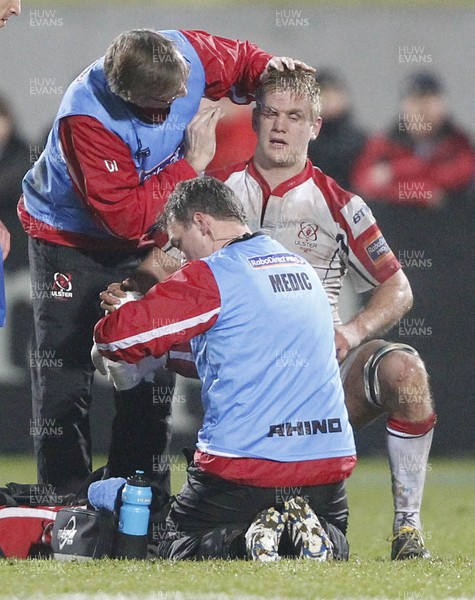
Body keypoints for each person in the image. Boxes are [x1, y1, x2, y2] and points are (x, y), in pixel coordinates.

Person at [19, 27, 314, 499]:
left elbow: (241, 62)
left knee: (148, 365)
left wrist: (268, 68)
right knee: (64, 377)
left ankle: (142, 494)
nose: (183, 98)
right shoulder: (86, 118)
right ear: (129, 96)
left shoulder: (188, 55)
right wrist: (188, 167)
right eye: (168, 101)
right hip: (68, 239)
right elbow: (123, 218)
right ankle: (65, 501)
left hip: (146, 239)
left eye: (184, 87)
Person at [93, 176, 356, 561]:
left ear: (202, 223)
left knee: (172, 545)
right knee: (331, 545)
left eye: (181, 245)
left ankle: (247, 538)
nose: (182, 259)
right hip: (328, 474)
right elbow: (230, 357)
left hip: (247, 471)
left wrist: (124, 311)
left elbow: (118, 339)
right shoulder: (299, 268)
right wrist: (161, 352)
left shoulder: (214, 273)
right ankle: (313, 532)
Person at [351, 71, 475, 207]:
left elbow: (462, 175)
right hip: (395, 223)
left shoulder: (458, 142)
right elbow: (364, 184)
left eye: (428, 103)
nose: (422, 111)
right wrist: (419, 192)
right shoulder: (384, 143)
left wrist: (394, 171)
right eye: (415, 103)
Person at [307, 68, 366, 190]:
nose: (328, 99)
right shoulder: (303, 139)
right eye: (322, 93)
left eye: (333, 92)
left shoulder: (361, 140)